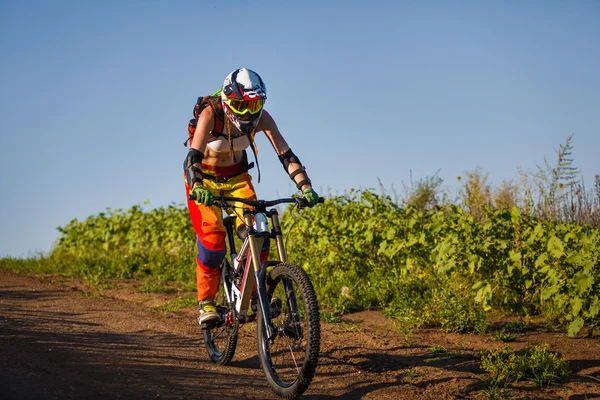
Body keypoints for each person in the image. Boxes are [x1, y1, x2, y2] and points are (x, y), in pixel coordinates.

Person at [184, 68, 319, 326]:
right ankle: (206, 303)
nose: (248, 113)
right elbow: (192, 158)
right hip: (205, 180)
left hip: (237, 179)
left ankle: (254, 293)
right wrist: (198, 185)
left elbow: (286, 155)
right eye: (241, 106)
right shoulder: (211, 113)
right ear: (227, 101)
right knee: (212, 240)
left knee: (260, 235)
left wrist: (305, 187)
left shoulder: (263, 119)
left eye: (254, 105)